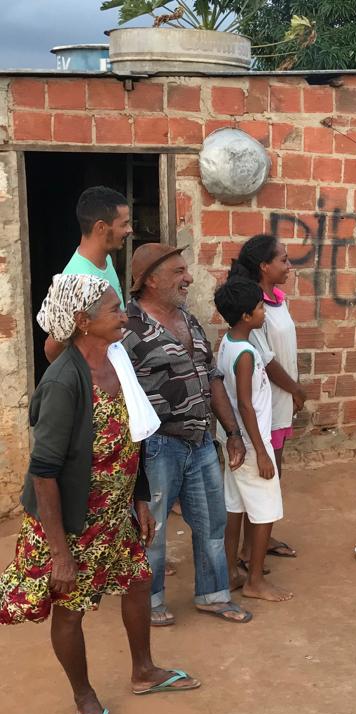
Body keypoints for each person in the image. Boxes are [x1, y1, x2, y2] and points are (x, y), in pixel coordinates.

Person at [0, 274, 200, 714]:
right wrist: (60, 554)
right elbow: (44, 472)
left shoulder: (117, 361)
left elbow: (133, 436)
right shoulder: (64, 382)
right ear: (82, 321)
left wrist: (139, 499)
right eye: (114, 309)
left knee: (138, 581)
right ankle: (84, 695)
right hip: (70, 524)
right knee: (71, 609)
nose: (125, 316)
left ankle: (143, 671)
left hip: (113, 512)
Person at [122, 243, 253, 626]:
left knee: (212, 522)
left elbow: (212, 377)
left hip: (200, 442)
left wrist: (232, 431)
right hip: (156, 446)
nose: (189, 278)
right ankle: (149, 602)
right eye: (179, 271)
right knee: (152, 528)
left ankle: (213, 595)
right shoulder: (127, 328)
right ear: (150, 280)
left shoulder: (188, 320)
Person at [226, 234, 306, 566]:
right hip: (267, 401)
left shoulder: (277, 300)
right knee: (264, 476)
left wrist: (294, 389)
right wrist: (296, 389)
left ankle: (260, 537)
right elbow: (267, 359)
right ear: (264, 266)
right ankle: (250, 549)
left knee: (274, 470)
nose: (289, 266)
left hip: (282, 399)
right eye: (283, 260)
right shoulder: (253, 307)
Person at [214, 279, 294, 603]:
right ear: (247, 316)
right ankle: (255, 581)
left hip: (235, 439)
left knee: (235, 504)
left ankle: (230, 571)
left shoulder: (228, 342)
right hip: (250, 444)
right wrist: (261, 452)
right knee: (266, 509)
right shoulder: (245, 353)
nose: (264, 312)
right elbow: (246, 404)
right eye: (261, 308)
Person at [43, 186, 133, 363]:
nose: (129, 230)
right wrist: (85, 375)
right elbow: (52, 348)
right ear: (101, 227)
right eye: (123, 224)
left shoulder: (105, 260)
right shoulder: (77, 279)